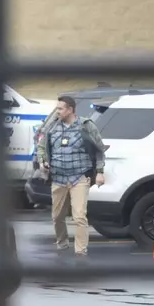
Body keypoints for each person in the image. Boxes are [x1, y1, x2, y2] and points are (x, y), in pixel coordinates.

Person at [36, 95, 106, 257]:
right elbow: (41, 148)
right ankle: (62, 242)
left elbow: (99, 150)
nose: (57, 111)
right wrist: (42, 162)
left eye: (60, 108)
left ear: (70, 110)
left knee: (79, 216)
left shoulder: (85, 126)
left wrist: (100, 173)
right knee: (57, 216)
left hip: (79, 177)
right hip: (58, 178)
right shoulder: (52, 128)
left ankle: (81, 250)